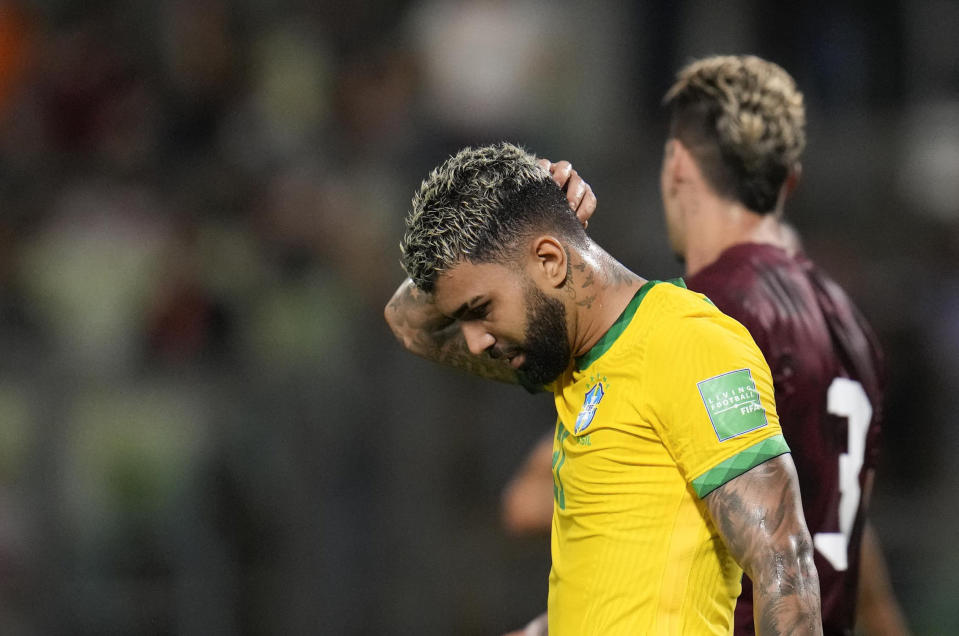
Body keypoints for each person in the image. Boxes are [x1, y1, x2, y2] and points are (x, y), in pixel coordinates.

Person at [504, 55, 908, 635]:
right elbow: (839, 531)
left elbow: (540, 497)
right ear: (789, 181)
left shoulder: (701, 319)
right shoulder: (854, 329)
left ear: (675, 165)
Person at [385, 142, 823, 635]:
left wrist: (535, 211)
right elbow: (407, 322)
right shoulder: (571, 366)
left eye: (480, 308)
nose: (474, 339)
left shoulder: (688, 342)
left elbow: (783, 559)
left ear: (550, 260)